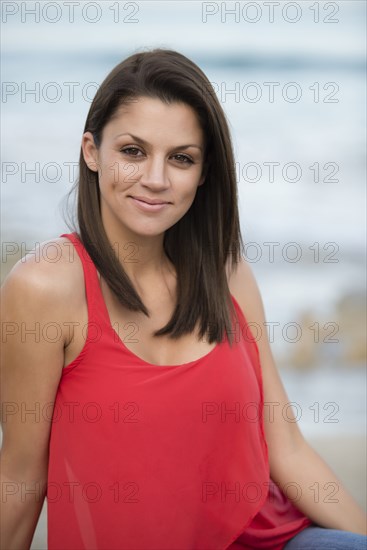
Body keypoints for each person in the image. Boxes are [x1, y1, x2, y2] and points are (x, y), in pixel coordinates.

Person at [1, 49, 366, 550]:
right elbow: (21, 477)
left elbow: (288, 449)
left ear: (204, 170)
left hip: (278, 541)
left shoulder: (227, 271)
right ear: (91, 151)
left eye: (181, 158)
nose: (156, 178)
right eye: (132, 151)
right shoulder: (45, 288)